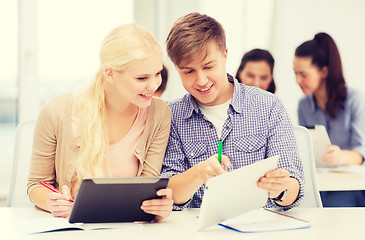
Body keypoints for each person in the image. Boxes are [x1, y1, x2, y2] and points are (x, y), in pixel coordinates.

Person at [27, 23, 173, 221]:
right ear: (110, 73)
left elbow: (148, 187)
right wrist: (52, 201)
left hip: (129, 230)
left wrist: (158, 205)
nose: (154, 85)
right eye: (142, 78)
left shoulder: (159, 113)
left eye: (157, 73)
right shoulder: (56, 111)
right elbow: (36, 184)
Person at [161, 12, 304, 210]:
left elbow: (295, 187)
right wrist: (198, 174)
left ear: (225, 55)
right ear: (176, 69)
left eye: (208, 66)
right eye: (188, 71)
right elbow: (168, 193)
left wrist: (281, 188)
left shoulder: (269, 106)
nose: (201, 80)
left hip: (261, 228)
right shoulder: (172, 115)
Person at [294, 32, 365, 207]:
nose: (297, 80)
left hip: (349, 186)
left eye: (303, 74)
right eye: (295, 73)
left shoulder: (355, 100)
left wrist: (342, 156)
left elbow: (361, 153)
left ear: (324, 71)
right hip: (319, 182)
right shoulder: (304, 105)